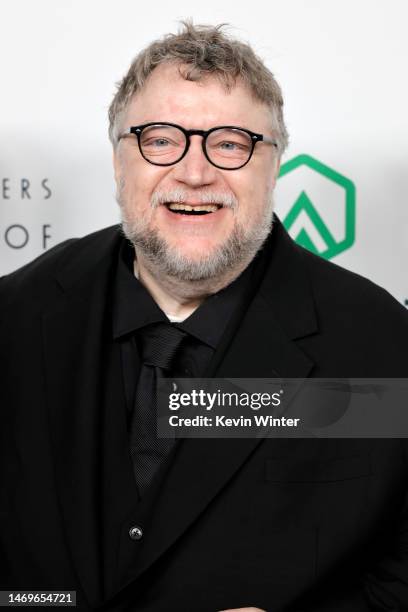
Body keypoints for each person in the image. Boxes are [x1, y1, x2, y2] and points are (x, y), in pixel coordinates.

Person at [1, 21, 408, 612]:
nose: (195, 173)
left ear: (274, 166)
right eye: (161, 140)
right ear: (119, 161)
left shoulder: (383, 346)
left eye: (230, 143)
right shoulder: (15, 316)